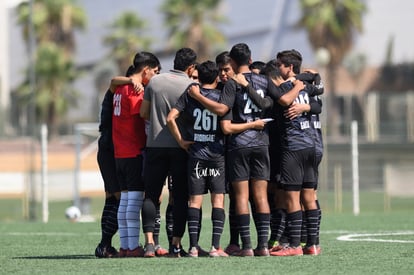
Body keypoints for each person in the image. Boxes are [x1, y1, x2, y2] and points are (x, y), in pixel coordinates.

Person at [167, 60, 228, 257]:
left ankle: (193, 247)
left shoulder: (190, 94)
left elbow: (170, 118)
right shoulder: (221, 96)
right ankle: (214, 248)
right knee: (218, 200)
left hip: (196, 156)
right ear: (217, 77)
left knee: (194, 201)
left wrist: (181, 141)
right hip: (217, 155)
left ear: (198, 77)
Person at [140, 47, 197, 258]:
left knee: (151, 196)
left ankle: (149, 244)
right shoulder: (191, 86)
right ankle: (175, 245)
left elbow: (143, 113)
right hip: (181, 148)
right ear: (191, 67)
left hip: (154, 145)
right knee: (180, 197)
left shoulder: (155, 82)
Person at [269, 49, 320, 256]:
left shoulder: (285, 87)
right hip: (310, 145)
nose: (277, 67)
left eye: (280, 64)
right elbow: (318, 101)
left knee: (292, 197)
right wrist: (305, 97)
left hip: (294, 148)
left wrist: (300, 102)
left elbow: (283, 101)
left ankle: (294, 246)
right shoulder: (306, 88)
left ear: (290, 67)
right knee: (308, 196)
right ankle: (313, 245)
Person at [112, 51, 161, 258]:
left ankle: (126, 245)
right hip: (133, 152)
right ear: (146, 70)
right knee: (133, 202)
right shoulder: (134, 90)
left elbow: (112, 82)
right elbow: (143, 114)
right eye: (155, 72)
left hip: (120, 153)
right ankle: (132, 247)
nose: (156, 77)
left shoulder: (119, 87)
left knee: (124, 201)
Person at [94, 66, 145, 258]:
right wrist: (133, 81)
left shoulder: (117, 91)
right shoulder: (122, 91)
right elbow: (114, 80)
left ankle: (105, 245)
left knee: (112, 199)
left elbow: (114, 80)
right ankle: (105, 244)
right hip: (112, 148)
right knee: (119, 199)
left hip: (108, 148)